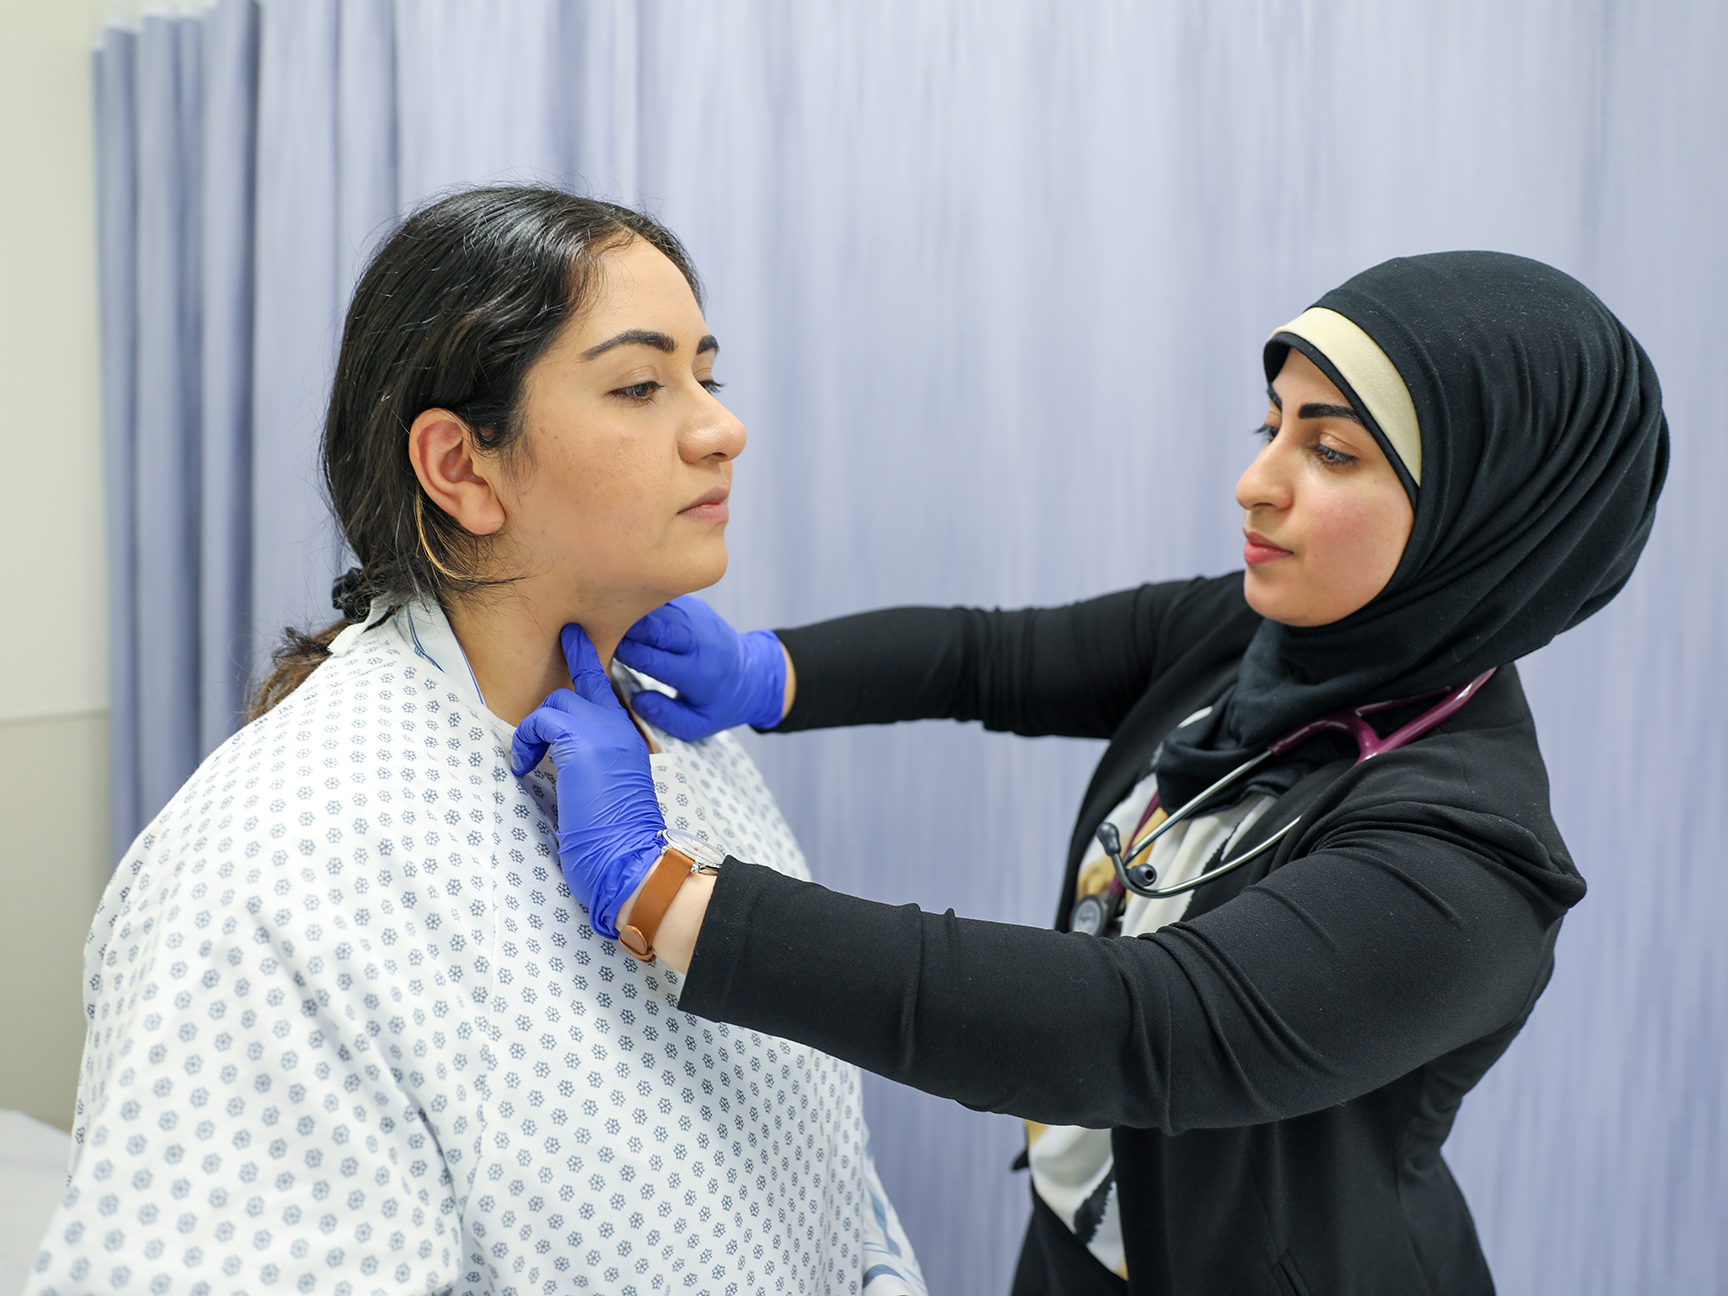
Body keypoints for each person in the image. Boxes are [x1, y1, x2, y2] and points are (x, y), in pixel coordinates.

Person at [511, 251, 1668, 1295]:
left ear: (1490, 519)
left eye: (1331, 451)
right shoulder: (1264, 635)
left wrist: (662, 894)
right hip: (1087, 1242)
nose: (1257, 483)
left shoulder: (1469, 863)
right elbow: (993, 657)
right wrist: (772, 673)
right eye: (1270, 426)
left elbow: (1141, 1028)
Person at [28, 188, 926, 1296]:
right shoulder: (275, 868)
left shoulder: (672, 744)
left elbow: (827, 1174)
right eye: (642, 385)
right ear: (461, 467)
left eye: (707, 373)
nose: (721, 427)